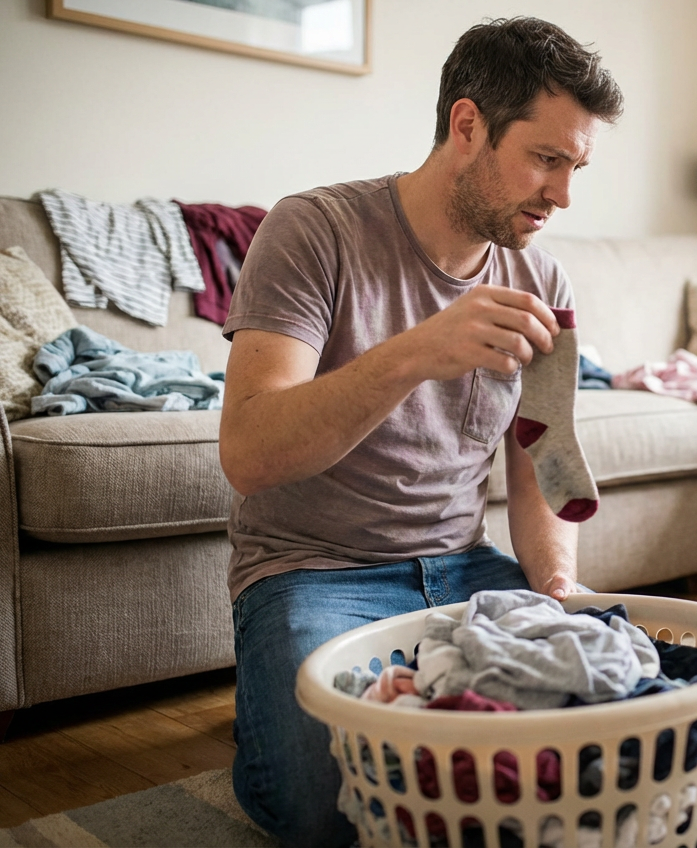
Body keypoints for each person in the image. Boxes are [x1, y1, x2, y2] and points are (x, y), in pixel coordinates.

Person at [216, 17, 623, 846]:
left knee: (614, 713)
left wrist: (554, 590)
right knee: (328, 797)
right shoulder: (313, 229)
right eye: (546, 159)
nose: (564, 196)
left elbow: (540, 452)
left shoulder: (540, 273)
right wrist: (415, 354)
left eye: (576, 167)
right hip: (314, 574)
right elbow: (250, 455)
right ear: (467, 125)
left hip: (466, 568)